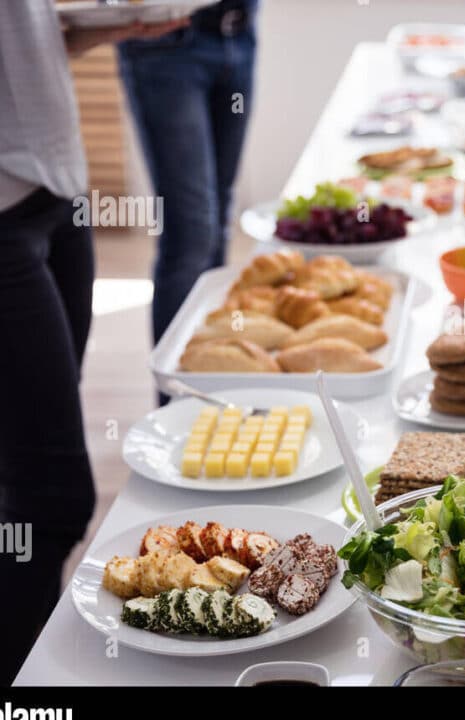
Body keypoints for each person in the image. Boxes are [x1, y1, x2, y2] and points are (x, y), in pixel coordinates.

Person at [0, 3, 187, 685]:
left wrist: (107, 26)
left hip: (58, 186)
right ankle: (27, 693)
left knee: (24, 465)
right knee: (50, 496)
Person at [117, 0, 259, 374]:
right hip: (166, 41)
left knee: (217, 218)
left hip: (238, 30)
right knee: (191, 231)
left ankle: (209, 379)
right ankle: (176, 402)